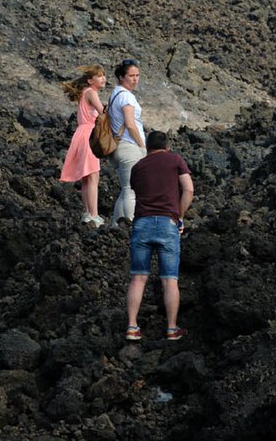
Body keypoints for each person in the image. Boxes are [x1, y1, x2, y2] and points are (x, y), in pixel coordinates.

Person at [122, 129, 194, 343]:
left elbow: (136, 191)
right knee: (169, 280)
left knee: (138, 278)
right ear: (167, 147)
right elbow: (188, 189)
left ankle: (132, 327)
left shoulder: (138, 167)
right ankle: (172, 329)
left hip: (142, 223)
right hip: (167, 223)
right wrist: (179, 216)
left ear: (147, 147)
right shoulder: (175, 160)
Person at [58, 64, 109, 226]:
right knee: (93, 176)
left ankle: (87, 213)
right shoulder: (91, 93)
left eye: (104, 75)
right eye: (100, 76)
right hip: (89, 135)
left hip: (81, 134)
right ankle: (94, 215)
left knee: (87, 178)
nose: (104, 79)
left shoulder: (84, 93)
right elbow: (103, 113)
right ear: (90, 80)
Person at [106, 60, 147, 222]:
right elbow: (130, 124)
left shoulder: (115, 94)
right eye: (131, 76)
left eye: (137, 76)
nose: (135, 79)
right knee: (132, 191)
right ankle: (130, 226)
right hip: (129, 148)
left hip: (117, 148)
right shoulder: (127, 97)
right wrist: (142, 146)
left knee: (125, 190)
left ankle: (116, 225)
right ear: (121, 77)